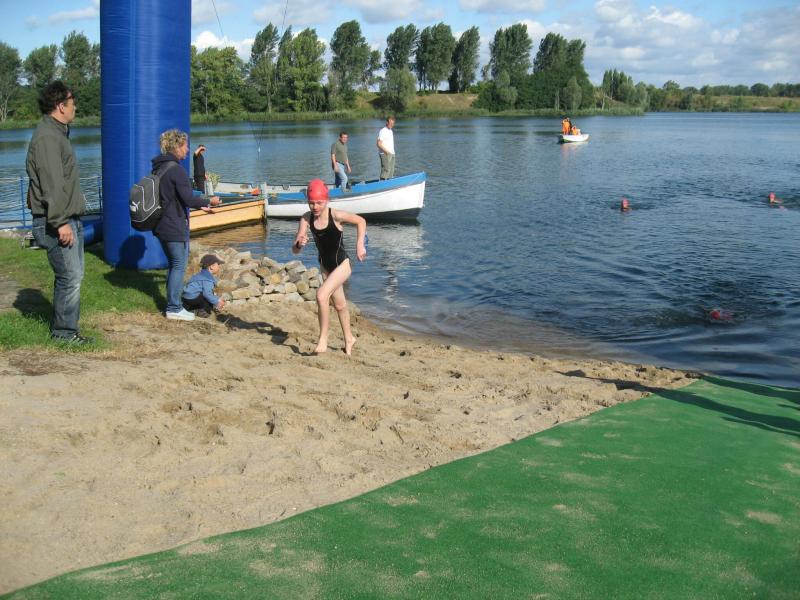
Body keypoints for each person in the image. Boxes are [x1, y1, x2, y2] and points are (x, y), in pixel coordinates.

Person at [25, 81, 92, 345]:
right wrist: (60, 222)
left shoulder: (57, 133)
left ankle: (67, 329)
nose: (75, 106)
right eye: (72, 101)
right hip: (56, 220)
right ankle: (64, 334)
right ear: (60, 106)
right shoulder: (47, 137)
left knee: (73, 276)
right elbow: (51, 183)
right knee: (70, 276)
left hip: (67, 217)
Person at [291, 178, 367, 355]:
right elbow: (295, 250)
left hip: (343, 264)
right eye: (311, 203)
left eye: (319, 203)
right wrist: (299, 244)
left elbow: (361, 221)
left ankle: (323, 340)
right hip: (325, 266)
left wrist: (360, 244)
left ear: (326, 200)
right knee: (340, 305)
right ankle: (349, 338)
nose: (315, 207)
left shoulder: (336, 215)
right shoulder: (306, 218)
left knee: (321, 295)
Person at [152, 129, 221, 321]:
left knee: (173, 265)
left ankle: (173, 305)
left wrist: (201, 206)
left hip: (160, 224)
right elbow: (189, 199)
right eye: (185, 145)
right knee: (178, 265)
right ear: (176, 147)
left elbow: (175, 197)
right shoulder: (177, 170)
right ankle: (174, 308)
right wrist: (209, 201)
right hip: (173, 225)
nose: (188, 149)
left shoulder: (159, 168)